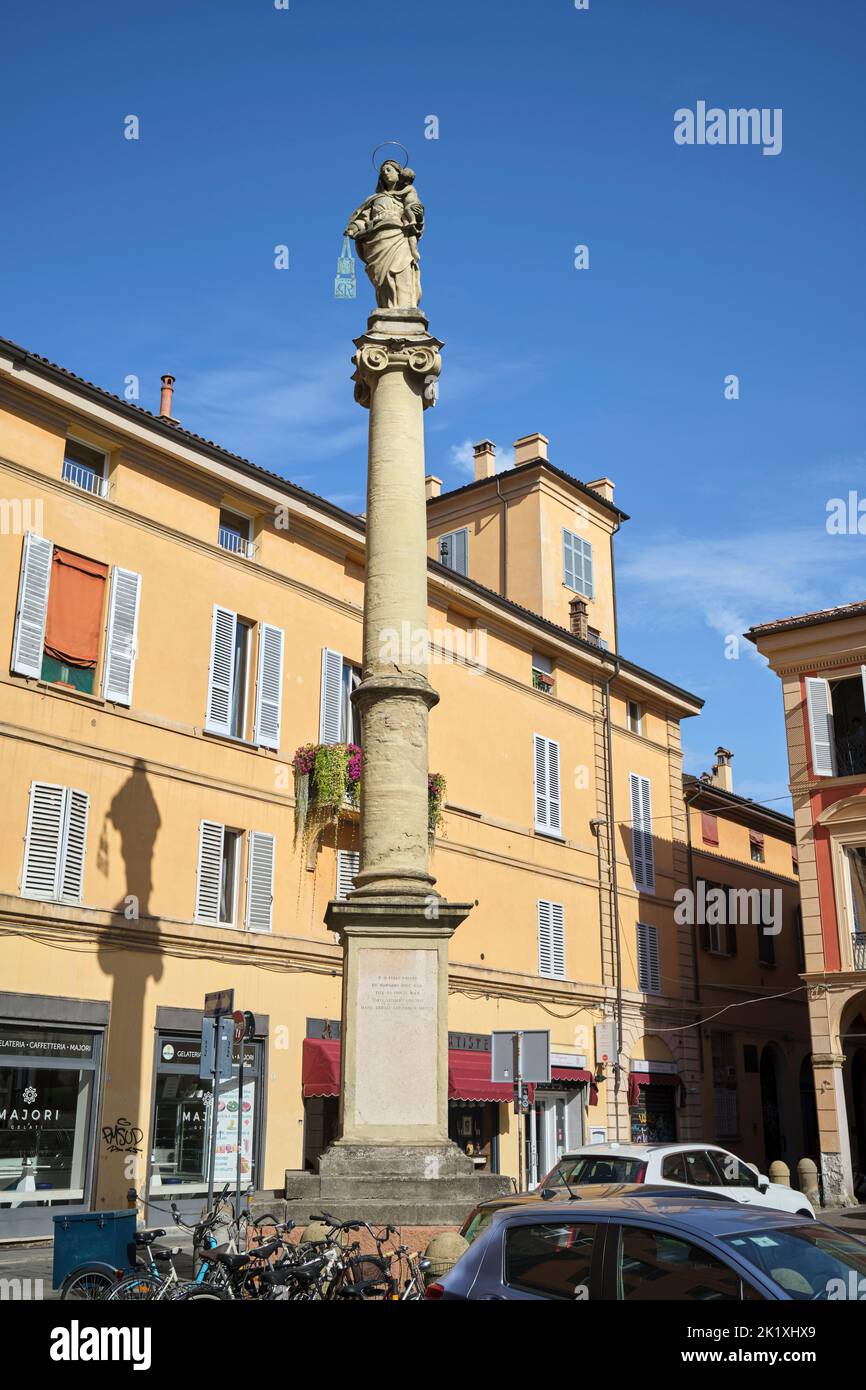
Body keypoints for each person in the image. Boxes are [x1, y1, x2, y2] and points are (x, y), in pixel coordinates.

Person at [345, 161, 424, 309]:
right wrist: (354, 227)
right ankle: (387, 308)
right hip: (378, 239)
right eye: (383, 172)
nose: (385, 173)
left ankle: (405, 308)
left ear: (398, 173)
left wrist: (417, 213)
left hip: (399, 235)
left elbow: (415, 211)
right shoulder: (375, 199)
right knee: (383, 277)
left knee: (403, 271)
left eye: (388, 170)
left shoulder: (407, 194)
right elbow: (362, 218)